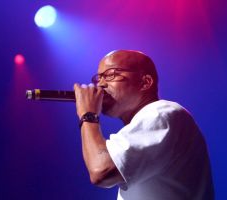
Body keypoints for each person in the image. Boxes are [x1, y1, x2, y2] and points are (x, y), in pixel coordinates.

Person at [73, 50, 214, 200]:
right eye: (98, 78)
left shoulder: (163, 113)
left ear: (145, 82)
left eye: (110, 75)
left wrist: (88, 114)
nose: (100, 85)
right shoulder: (145, 124)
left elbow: (101, 170)